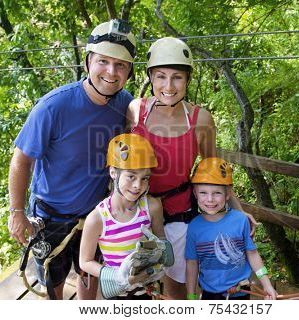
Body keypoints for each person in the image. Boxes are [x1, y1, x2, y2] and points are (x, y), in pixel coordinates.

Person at [8, 19, 136, 300]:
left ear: (129, 71)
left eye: (121, 66)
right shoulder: (54, 106)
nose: (111, 72)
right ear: (89, 61)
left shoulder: (124, 103)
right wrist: (17, 213)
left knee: (88, 275)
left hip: (95, 214)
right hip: (51, 217)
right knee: (53, 285)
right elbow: (21, 159)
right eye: (103, 61)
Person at [126, 37, 257, 299]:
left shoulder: (200, 120)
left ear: (187, 80)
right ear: (151, 77)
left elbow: (213, 172)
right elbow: (122, 164)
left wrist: (239, 211)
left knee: (178, 285)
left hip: (178, 212)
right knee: (137, 286)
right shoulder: (135, 111)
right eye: (161, 76)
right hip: (136, 210)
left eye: (177, 77)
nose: (168, 86)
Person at [79, 133, 173, 299]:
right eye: (131, 176)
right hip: (116, 292)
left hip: (148, 290)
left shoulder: (152, 207)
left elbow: (161, 239)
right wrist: (117, 276)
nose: (138, 185)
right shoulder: (97, 219)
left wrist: (162, 255)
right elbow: (85, 262)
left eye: (145, 178)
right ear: (113, 172)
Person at [185, 157, 277, 300]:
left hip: (240, 293)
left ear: (228, 194)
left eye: (217, 193)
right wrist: (191, 295)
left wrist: (267, 284)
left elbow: (252, 254)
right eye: (203, 193)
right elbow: (192, 263)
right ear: (195, 193)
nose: (210, 199)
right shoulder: (194, 227)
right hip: (210, 295)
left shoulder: (240, 221)